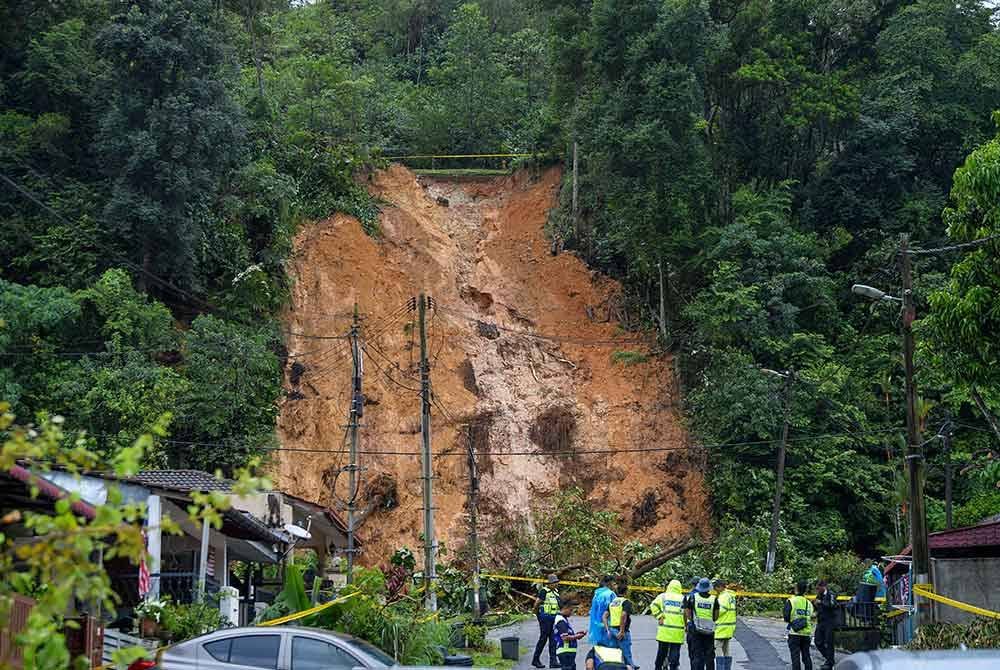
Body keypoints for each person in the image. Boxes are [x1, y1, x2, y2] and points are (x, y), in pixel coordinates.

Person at [649, 579, 686, 670]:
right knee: (675, 652)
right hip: (677, 631)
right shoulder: (683, 598)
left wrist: (659, 616)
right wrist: (686, 625)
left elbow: (653, 605)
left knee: (661, 652)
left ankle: (658, 667)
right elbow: (686, 614)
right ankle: (673, 667)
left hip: (664, 630)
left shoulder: (663, 596)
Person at [684, 577, 718, 670]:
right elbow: (716, 617)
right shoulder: (714, 599)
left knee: (697, 654)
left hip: (696, 630)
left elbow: (688, 614)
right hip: (709, 630)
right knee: (709, 655)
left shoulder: (693, 597)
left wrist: (695, 621)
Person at [605, 576, 637, 670]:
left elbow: (604, 616)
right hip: (622, 631)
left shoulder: (613, 602)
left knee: (614, 653)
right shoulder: (626, 602)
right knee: (627, 653)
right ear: (626, 592)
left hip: (612, 630)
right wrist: (622, 631)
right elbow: (623, 615)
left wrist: (607, 629)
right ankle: (631, 667)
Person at [532, 574, 562, 668]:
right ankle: (535, 660)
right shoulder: (544, 591)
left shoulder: (556, 592)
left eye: (556, 582)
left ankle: (553, 662)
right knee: (543, 639)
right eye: (554, 583)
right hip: (545, 619)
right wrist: (537, 615)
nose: (556, 584)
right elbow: (537, 603)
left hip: (554, 618)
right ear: (549, 584)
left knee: (553, 640)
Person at [784, 580, 814, 670]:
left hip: (794, 632)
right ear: (805, 590)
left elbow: (786, 617)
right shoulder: (809, 603)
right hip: (806, 633)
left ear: (796, 589)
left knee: (795, 657)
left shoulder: (791, 601)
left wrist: (793, 621)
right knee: (806, 657)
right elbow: (810, 616)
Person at [553, 600, 587, 670]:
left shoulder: (563, 619)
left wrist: (577, 634)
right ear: (565, 608)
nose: (571, 613)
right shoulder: (561, 620)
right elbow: (565, 638)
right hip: (565, 652)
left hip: (568, 652)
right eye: (571, 610)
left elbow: (567, 634)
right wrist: (577, 636)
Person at [814, 580, 838, 670]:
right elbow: (819, 606)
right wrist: (815, 604)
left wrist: (821, 603)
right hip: (821, 621)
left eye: (818, 588)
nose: (817, 590)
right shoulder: (819, 595)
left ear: (823, 587)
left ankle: (829, 662)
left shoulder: (831, 594)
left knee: (829, 642)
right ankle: (829, 658)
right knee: (818, 641)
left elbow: (832, 605)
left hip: (830, 621)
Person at [713, 579, 736, 670]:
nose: (715, 590)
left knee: (718, 648)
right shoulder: (731, 596)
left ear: (720, 587)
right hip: (729, 627)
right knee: (726, 650)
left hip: (721, 627)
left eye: (716, 588)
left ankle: (720, 668)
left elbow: (720, 611)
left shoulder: (723, 597)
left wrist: (712, 615)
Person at [589, 575, 616, 646]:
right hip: (608, 625)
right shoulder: (610, 594)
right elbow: (614, 610)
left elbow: (593, 611)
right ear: (609, 583)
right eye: (614, 584)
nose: (615, 586)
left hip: (596, 626)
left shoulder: (597, 594)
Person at [683, 577, 700, 668]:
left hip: (692, 626)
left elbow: (685, 613)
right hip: (705, 627)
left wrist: (686, 625)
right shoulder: (708, 596)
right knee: (702, 652)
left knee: (692, 652)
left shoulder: (688, 596)